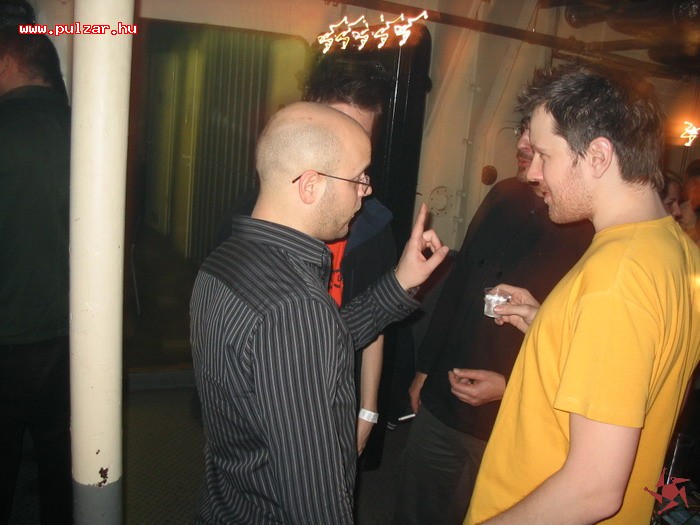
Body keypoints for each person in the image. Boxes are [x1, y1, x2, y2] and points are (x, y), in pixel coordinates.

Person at [190, 102, 448, 524]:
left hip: (230, 502)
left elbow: (318, 344)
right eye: (358, 177)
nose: (366, 190)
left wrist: (399, 281)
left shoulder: (224, 261)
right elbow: (315, 499)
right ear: (310, 185)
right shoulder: (295, 306)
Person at [466, 63, 700, 524]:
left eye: (544, 155)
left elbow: (593, 489)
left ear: (597, 156)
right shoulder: (675, 249)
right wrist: (549, 323)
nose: (532, 173)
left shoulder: (615, 280)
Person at [392, 120, 593, 524]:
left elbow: (587, 351)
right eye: (523, 130)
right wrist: (424, 371)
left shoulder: (591, 227)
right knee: (414, 510)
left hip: (510, 420)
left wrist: (509, 386)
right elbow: (458, 287)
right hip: (442, 403)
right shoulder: (503, 194)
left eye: (537, 140)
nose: (523, 144)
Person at [215, 57, 397, 457]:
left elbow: (373, 326)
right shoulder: (249, 221)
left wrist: (367, 412)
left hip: (336, 394)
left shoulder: (374, 225)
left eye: (361, 137)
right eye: (338, 130)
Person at [0, 28, 72, 523]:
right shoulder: (91, 130)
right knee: (61, 449)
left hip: (10, 328)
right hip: (76, 330)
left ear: (8, 63)